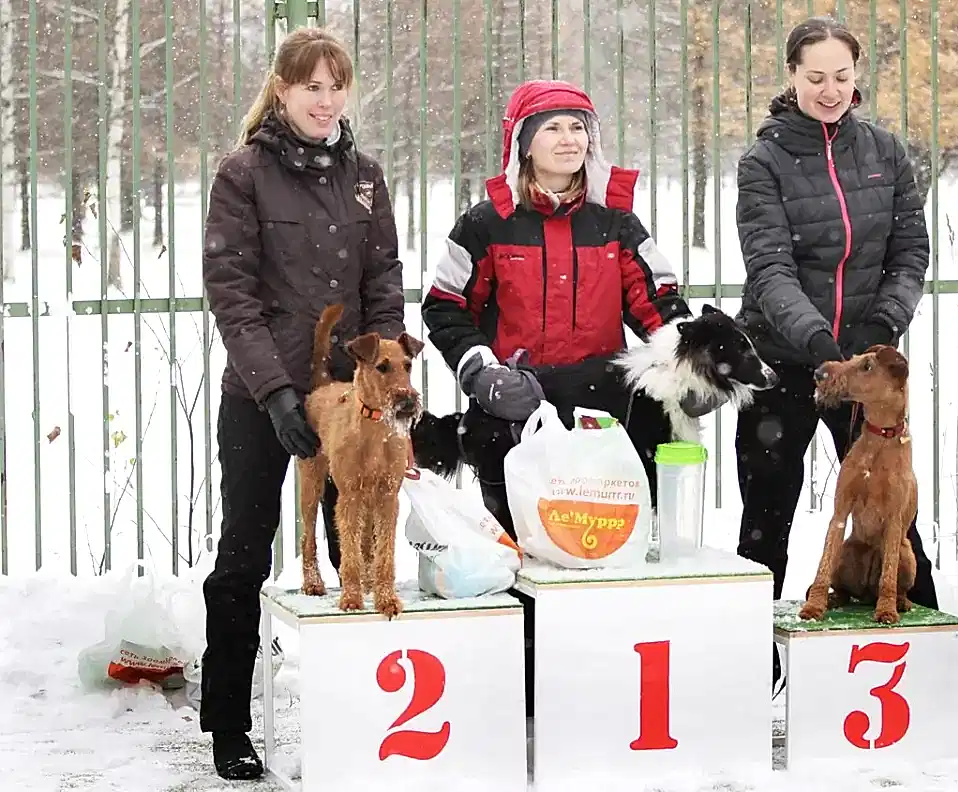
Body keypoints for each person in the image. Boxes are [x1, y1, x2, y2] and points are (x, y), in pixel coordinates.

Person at [733, 15, 958, 746]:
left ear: (858, 76)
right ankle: (744, 689)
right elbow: (770, 266)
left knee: (895, 520)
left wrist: (878, 330)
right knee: (766, 524)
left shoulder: (885, 152)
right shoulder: (763, 162)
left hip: (865, 368)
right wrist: (821, 346)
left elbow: (910, 249)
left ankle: (946, 692)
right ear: (792, 76)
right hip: (785, 365)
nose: (830, 90)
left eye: (842, 76)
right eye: (815, 77)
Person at [200, 27, 407, 779]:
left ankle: (358, 718)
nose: (325, 101)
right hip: (265, 398)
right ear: (282, 90)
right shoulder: (243, 174)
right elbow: (232, 296)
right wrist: (278, 393)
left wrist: (379, 382)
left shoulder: (365, 176)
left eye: (336, 86)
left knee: (359, 550)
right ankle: (229, 722)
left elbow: (383, 283)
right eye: (311, 86)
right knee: (244, 554)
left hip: (351, 404)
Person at [421, 78, 696, 536]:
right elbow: (446, 307)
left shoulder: (616, 223)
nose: (569, 140)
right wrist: (483, 374)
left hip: (602, 413)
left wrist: (692, 364)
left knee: (599, 546)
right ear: (524, 144)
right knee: (522, 548)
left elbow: (657, 302)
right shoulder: (486, 224)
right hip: (515, 409)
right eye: (552, 128)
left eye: (578, 127)